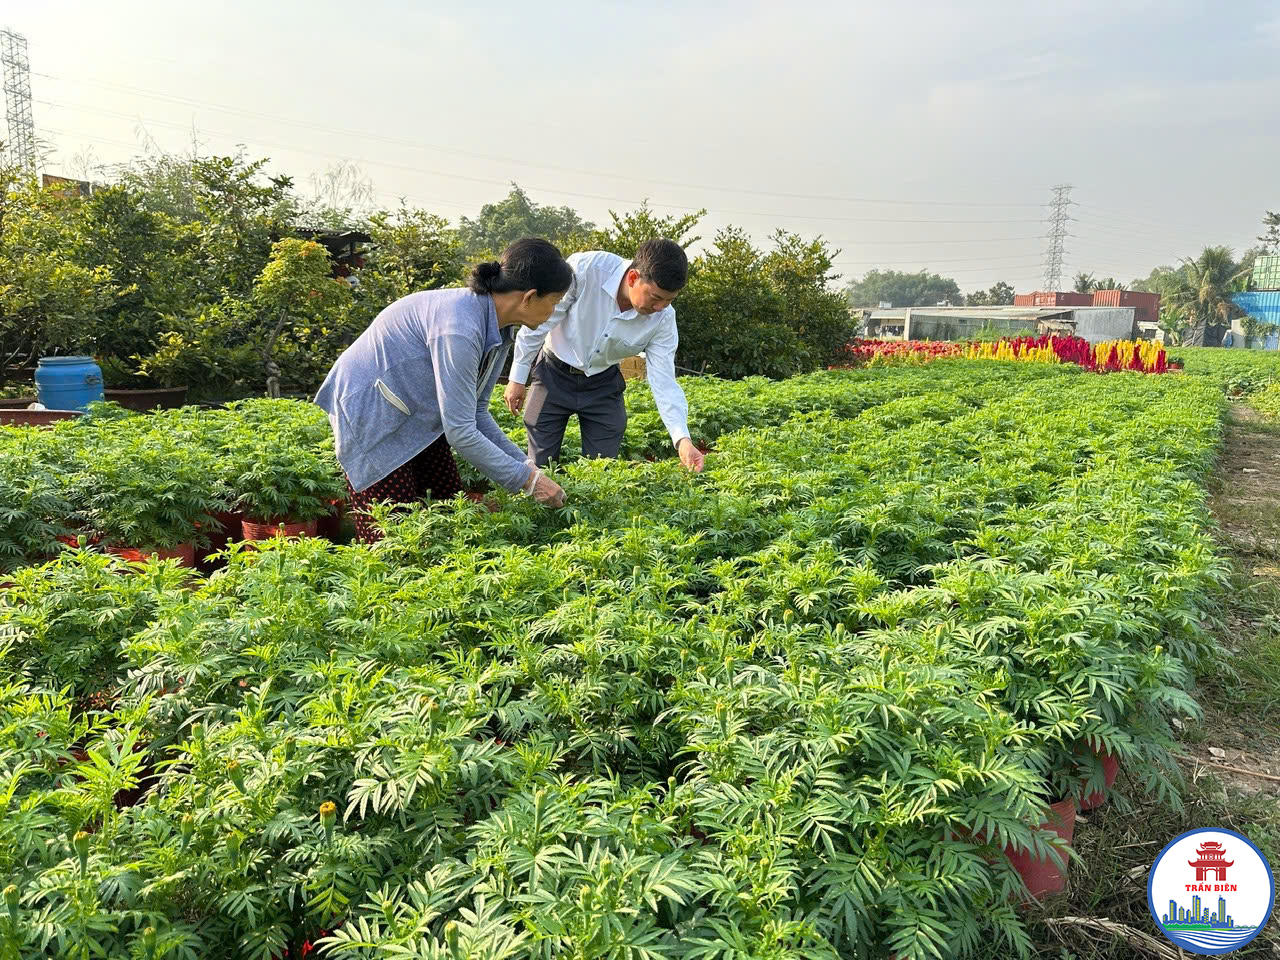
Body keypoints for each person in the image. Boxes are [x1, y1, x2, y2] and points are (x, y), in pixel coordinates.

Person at [315, 238, 572, 544]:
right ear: (530, 297)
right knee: (393, 537)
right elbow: (461, 432)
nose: (554, 312)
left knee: (449, 510)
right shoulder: (461, 327)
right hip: (372, 413)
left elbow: (475, 412)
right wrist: (529, 483)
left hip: (417, 411)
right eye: (554, 302)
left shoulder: (500, 328)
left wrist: (527, 467)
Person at [503, 239, 704, 472]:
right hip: (553, 373)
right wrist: (517, 378)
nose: (660, 307)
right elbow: (538, 321)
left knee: (602, 470)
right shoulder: (586, 270)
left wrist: (682, 439)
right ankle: (538, 503)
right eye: (656, 298)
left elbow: (664, 380)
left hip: (603, 381)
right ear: (632, 278)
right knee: (540, 461)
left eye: (669, 301)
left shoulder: (664, 318)